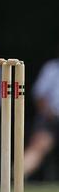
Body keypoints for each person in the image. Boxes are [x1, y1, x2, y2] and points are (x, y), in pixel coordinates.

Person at [24, 49, 59, 178]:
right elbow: (39, 97)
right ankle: (16, 174)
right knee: (38, 145)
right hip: (51, 119)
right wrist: (48, 113)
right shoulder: (52, 68)